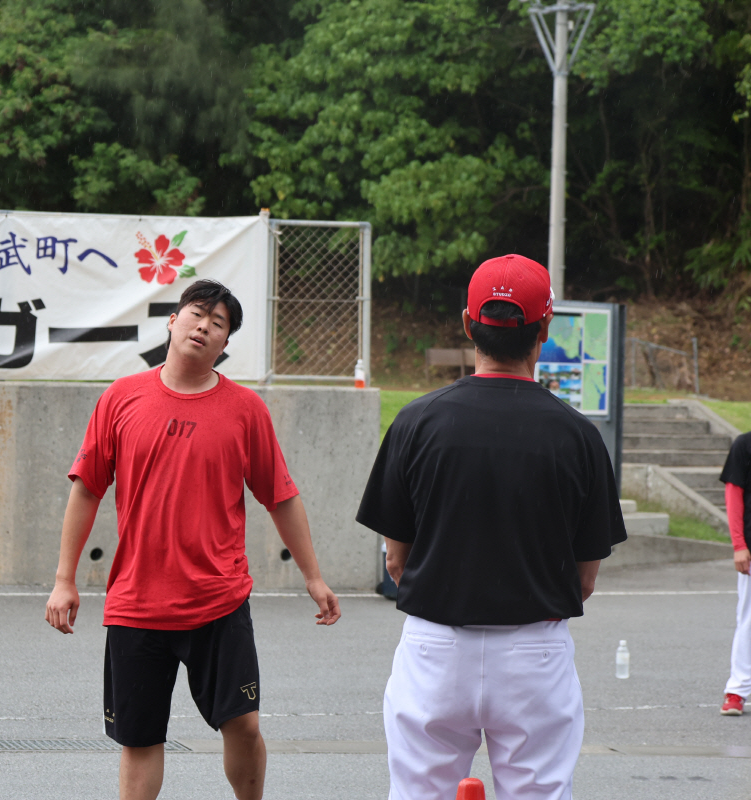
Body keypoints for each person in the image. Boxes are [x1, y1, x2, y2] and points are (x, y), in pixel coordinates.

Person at [45, 279, 341, 800]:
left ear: (225, 344)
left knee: (244, 725)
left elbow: (282, 497)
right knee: (140, 742)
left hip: (218, 601)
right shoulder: (121, 398)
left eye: (219, 322)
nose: (204, 325)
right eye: (197, 313)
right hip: (138, 604)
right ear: (173, 321)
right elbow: (86, 489)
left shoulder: (245, 410)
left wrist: (313, 577)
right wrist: (64, 580)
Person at [356, 254, 627, 800]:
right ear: (546, 327)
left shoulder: (416, 422)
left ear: (466, 323)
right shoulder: (578, 436)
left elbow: (395, 561)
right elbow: (586, 577)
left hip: (434, 646)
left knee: (418, 792)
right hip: (535, 651)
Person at [719, 432, 751, 715]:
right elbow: (733, 494)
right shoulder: (745, 444)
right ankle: (737, 690)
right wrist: (739, 545)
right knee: (749, 620)